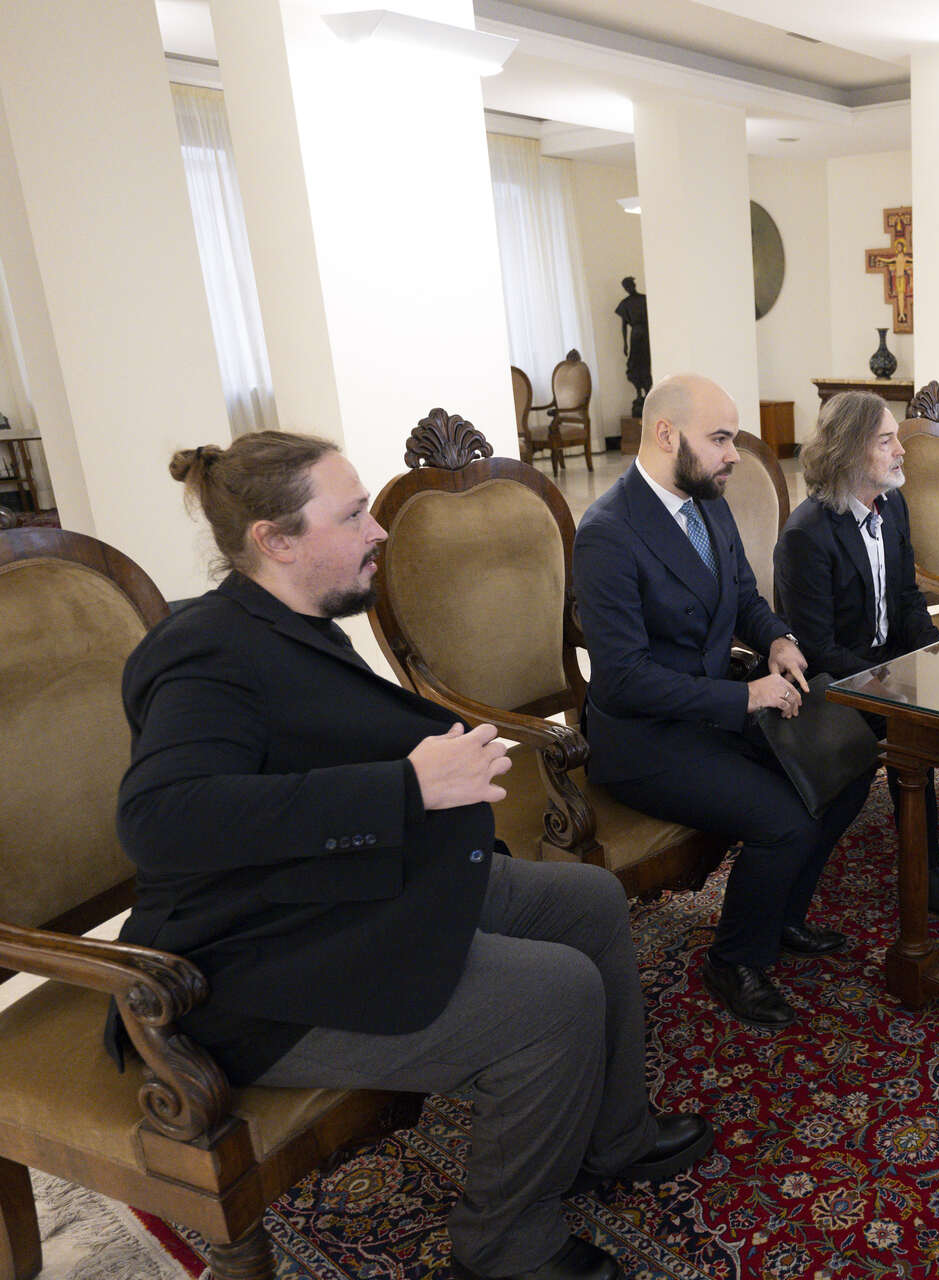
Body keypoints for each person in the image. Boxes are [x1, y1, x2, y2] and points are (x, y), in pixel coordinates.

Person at [115, 431, 711, 1280]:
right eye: (354, 515)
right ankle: (504, 1244)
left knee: (588, 901)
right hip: (253, 967)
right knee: (556, 996)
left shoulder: (288, 623)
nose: (379, 531)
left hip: (339, 895)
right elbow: (160, 821)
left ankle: (614, 1137)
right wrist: (406, 787)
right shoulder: (204, 653)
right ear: (275, 541)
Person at [573, 374, 870, 1031]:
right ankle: (733, 961)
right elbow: (623, 680)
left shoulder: (706, 500)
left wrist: (780, 641)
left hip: (715, 708)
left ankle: (781, 914)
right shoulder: (608, 533)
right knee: (784, 819)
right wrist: (744, 697)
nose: (734, 454)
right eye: (720, 439)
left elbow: (743, 599)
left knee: (847, 768)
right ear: (665, 434)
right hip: (644, 740)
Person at [773, 390, 939, 921]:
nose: (901, 450)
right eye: (886, 441)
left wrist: (938, 654)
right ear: (848, 451)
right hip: (834, 683)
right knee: (916, 726)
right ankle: (925, 872)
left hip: (885, 663)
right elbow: (817, 649)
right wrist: (897, 682)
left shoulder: (892, 505)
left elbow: (907, 598)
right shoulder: (806, 535)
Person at [614, 277, 652, 416]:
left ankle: (648, 393)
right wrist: (625, 343)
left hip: (645, 335)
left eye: (630, 285)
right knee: (634, 365)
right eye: (627, 286)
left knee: (646, 363)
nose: (629, 288)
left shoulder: (645, 299)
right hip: (635, 336)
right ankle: (639, 394)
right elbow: (624, 326)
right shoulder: (625, 304)